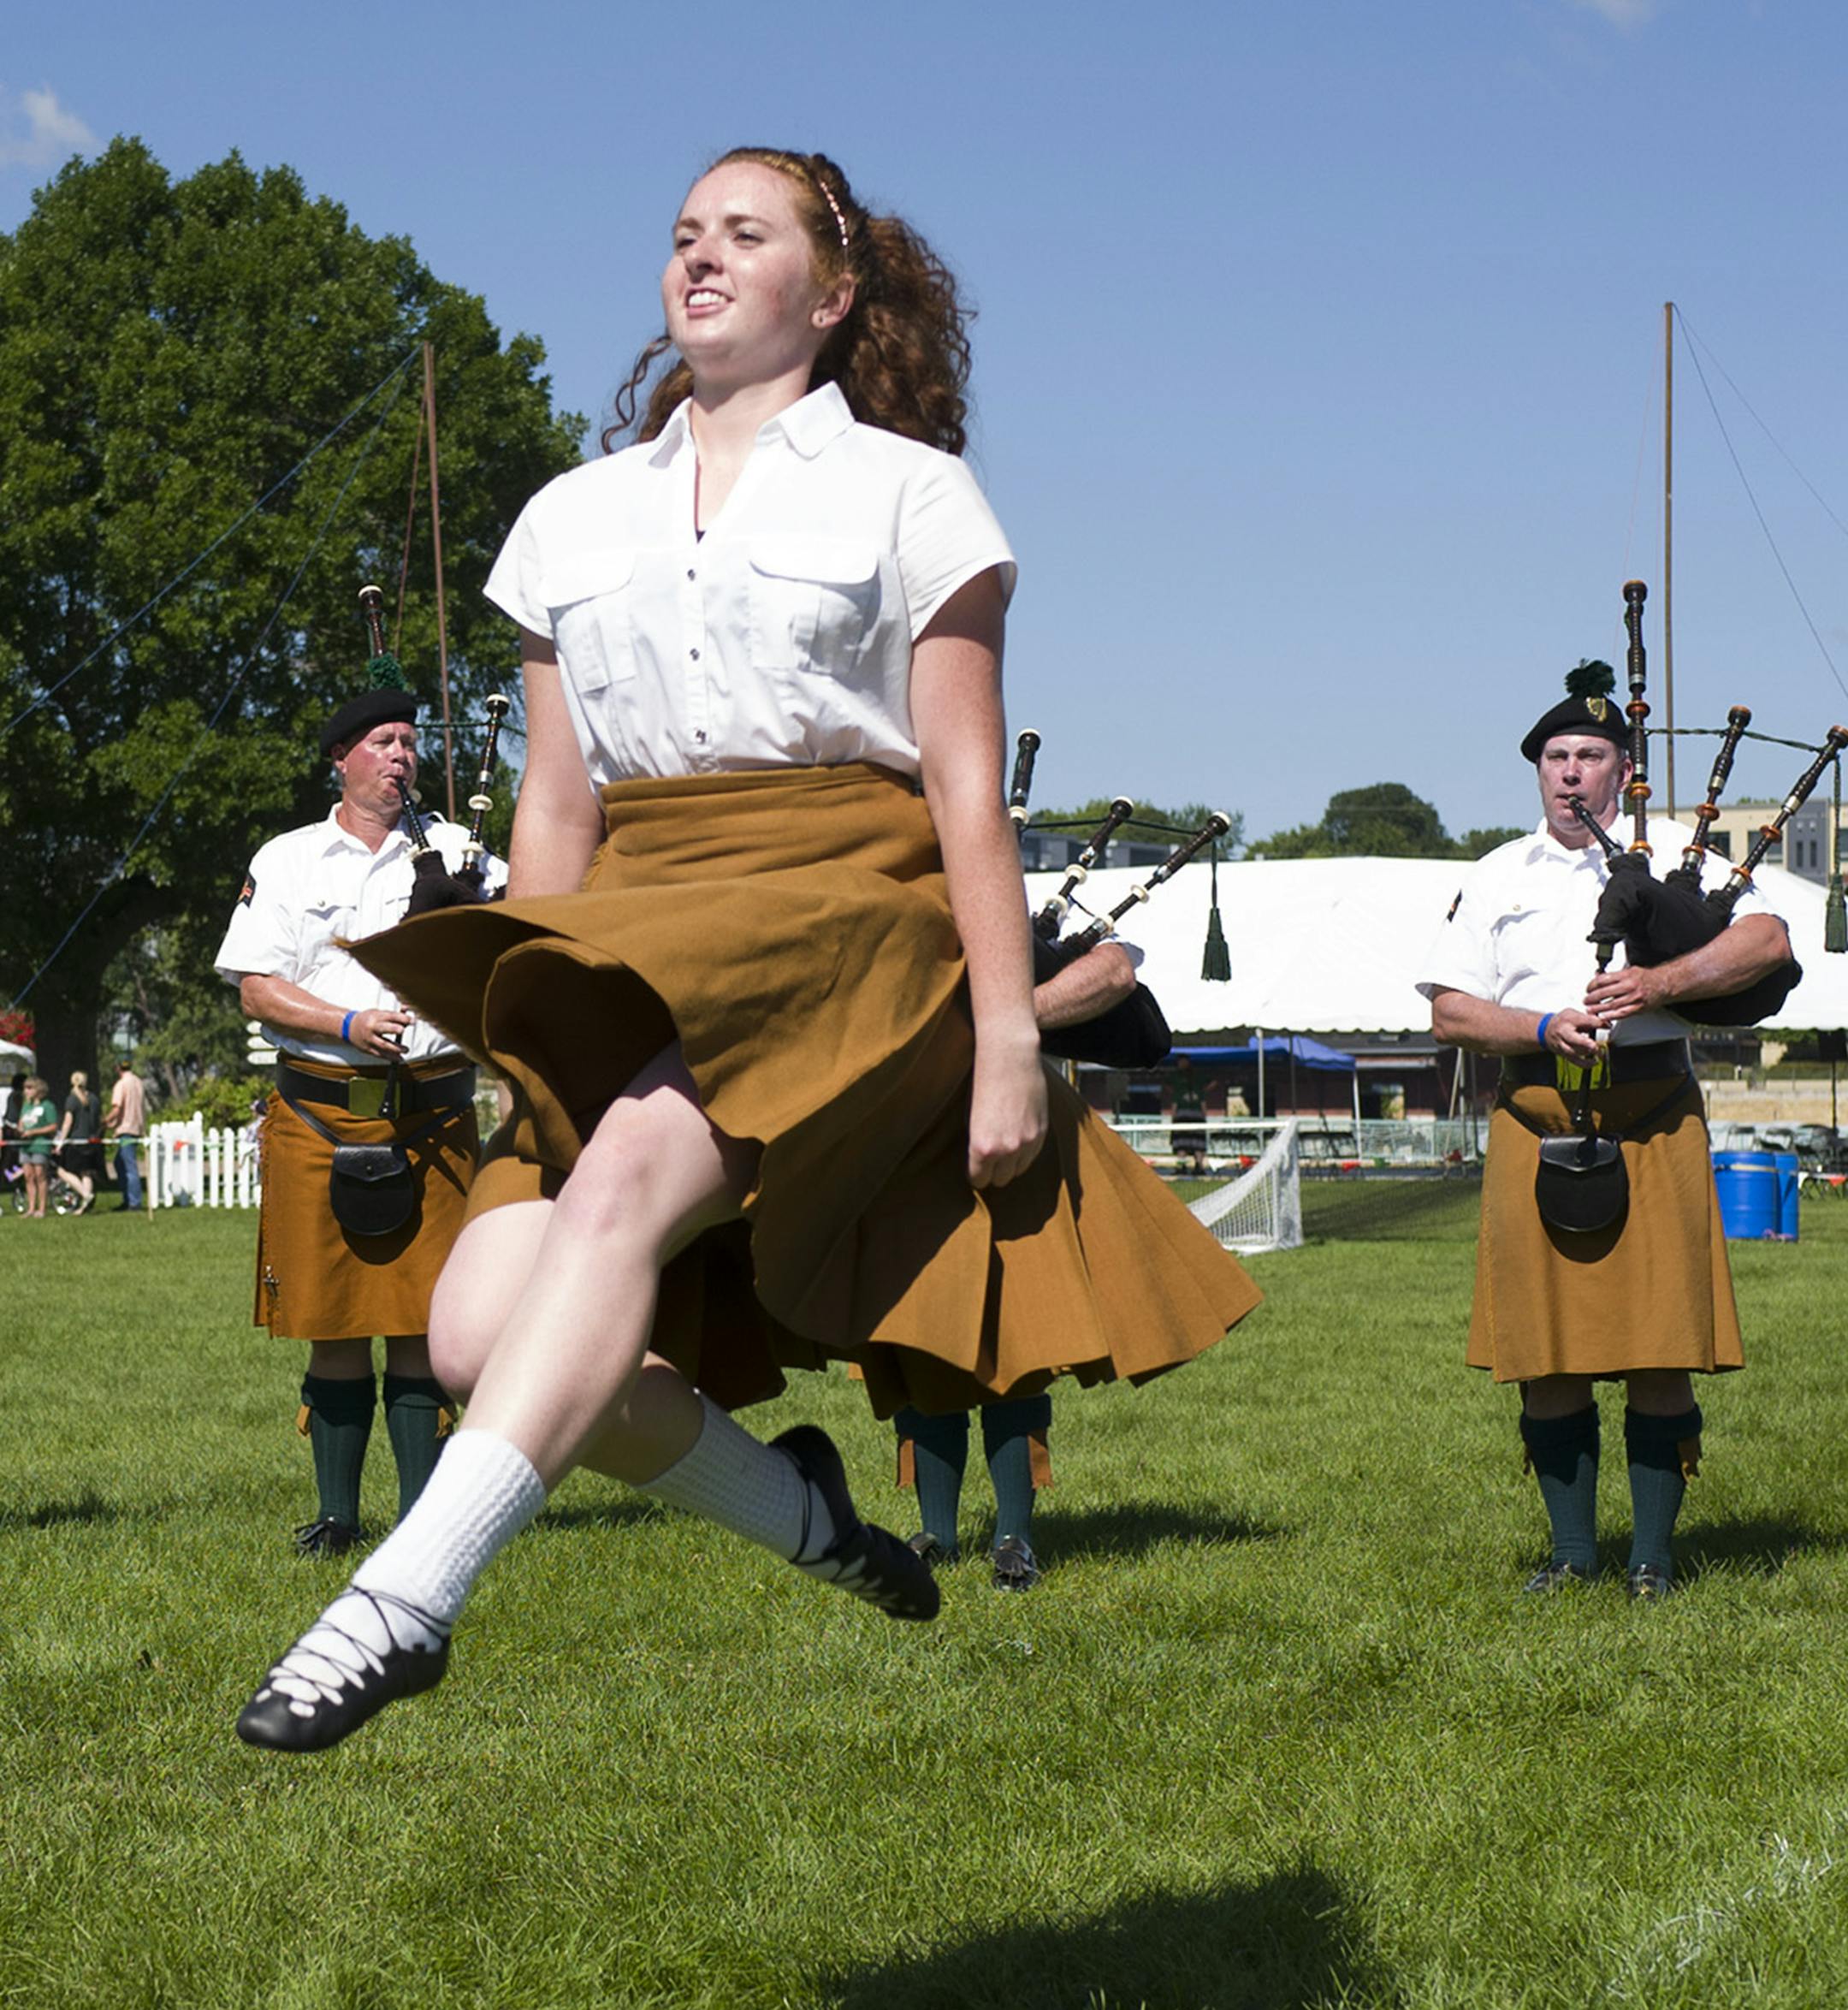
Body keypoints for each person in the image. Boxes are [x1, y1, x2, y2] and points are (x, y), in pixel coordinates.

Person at [236, 146, 1259, 1752]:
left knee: (637, 1171)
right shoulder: (570, 516)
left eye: (746, 234)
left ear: (833, 293)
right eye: (681, 236)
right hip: (634, 918)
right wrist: (523, 1013)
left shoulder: (914, 488)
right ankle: (800, 1511)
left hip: (845, 908)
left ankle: (403, 1597)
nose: (699, 257)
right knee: (475, 1323)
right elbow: (556, 811)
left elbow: (967, 796)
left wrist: (1006, 1032)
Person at [1419, 665, 1792, 1598]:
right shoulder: (1498, 872)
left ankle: (1654, 1560)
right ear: (1538, 772)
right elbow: (1452, 1014)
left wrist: (1658, 985)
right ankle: (1572, 1554)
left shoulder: (1678, 859)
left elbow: (1769, 942)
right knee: (1546, 1353)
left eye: (1590, 755)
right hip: (1536, 1114)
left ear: (1627, 772)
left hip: (1654, 1116)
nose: (1571, 772)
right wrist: (1541, 1026)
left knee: (1660, 1347)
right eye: (1555, 757)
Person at [215, 691, 505, 1557]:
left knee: (425, 1324)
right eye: (382, 740)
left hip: (432, 1118)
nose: (401, 754)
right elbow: (256, 986)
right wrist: (345, 1025)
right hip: (321, 1114)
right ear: (340, 758)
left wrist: (475, 918)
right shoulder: (291, 858)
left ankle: (424, 1522)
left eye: (411, 741)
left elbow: (513, 954)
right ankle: (339, 1519)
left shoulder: (458, 849)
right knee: (335, 1322)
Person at [897, 938, 1140, 1591]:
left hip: (1018, 1142)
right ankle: (934, 1535)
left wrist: (1007, 1016)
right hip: (909, 1139)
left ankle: (1015, 1537)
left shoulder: (1001, 910)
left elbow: (1115, 970)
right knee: (923, 1343)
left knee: (1019, 1343)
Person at [105, 1058, 147, 1213]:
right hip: (137, 1127)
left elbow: (117, 1109)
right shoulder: (139, 1082)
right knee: (120, 1163)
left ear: (118, 1068)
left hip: (126, 1130)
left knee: (129, 1166)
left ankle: (134, 1202)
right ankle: (128, 1198)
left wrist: (105, 1121)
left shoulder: (121, 1084)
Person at [15, 1076, 57, 1218]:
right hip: (25, 1146)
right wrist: (20, 1129)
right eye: (25, 1088)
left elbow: (53, 1126)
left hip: (40, 1144)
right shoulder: (26, 1106)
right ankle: (31, 1208)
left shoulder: (48, 1106)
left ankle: (42, 1208)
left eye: (29, 1088)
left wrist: (34, 1132)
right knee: (28, 1176)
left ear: (38, 1090)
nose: (26, 1091)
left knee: (40, 1175)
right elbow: (21, 1122)